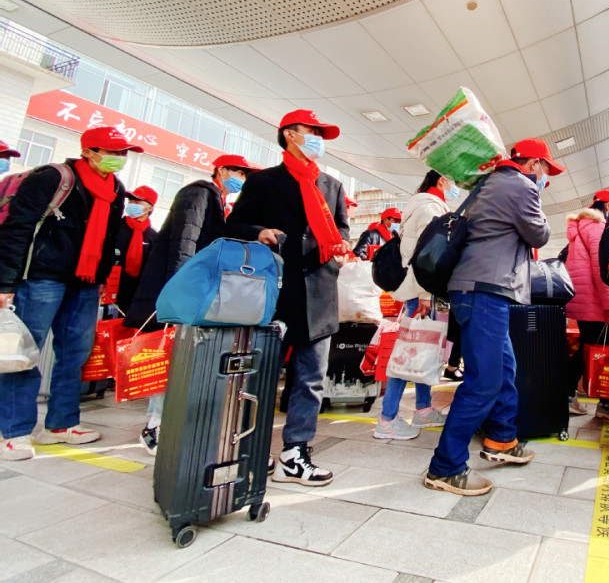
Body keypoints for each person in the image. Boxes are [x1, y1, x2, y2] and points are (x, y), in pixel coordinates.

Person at [424, 138, 561, 496]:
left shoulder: (490, 182)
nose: (547, 176)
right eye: (546, 169)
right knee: (484, 380)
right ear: (533, 164)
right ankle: (445, 467)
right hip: (485, 289)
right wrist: (537, 199)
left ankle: (501, 438)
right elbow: (540, 234)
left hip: (480, 288)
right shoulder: (520, 186)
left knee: (504, 369)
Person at [227, 109, 352, 487]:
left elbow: (343, 226)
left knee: (311, 378)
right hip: (275, 291)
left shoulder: (332, 185)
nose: (317, 137)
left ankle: (295, 452)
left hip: (320, 290)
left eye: (320, 131)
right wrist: (260, 231)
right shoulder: (265, 181)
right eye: (311, 130)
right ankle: (249, 448)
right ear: (289, 135)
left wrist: (343, 243)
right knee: (260, 375)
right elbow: (234, 224)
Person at [0, 127, 136, 460]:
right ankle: (14, 432)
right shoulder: (53, 177)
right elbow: (18, 226)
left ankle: (60, 425)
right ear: (88, 151)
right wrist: (5, 283)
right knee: (22, 354)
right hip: (39, 278)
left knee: (75, 353)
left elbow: (109, 237)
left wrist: (102, 277)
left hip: (85, 283)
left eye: (123, 153)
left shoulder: (114, 189)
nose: (119, 159)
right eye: (111, 152)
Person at [124, 154, 254, 455]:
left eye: (244, 175)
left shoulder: (218, 199)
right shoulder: (198, 192)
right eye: (238, 172)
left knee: (178, 358)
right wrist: (177, 292)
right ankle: (154, 425)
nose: (241, 178)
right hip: (178, 290)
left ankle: (168, 422)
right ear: (220, 170)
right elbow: (185, 240)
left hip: (193, 290)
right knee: (166, 357)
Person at [375, 170, 458, 439]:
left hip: (422, 290)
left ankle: (423, 410)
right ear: (442, 181)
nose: (455, 187)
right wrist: (425, 293)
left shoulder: (423, 205)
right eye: (453, 181)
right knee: (408, 353)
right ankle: (387, 419)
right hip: (423, 292)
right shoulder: (429, 208)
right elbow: (426, 255)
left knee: (423, 351)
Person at [565, 189, 609, 420]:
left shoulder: (578, 229)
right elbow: (602, 271)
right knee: (604, 352)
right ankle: (606, 404)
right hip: (596, 304)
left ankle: (568, 396)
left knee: (588, 349)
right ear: (608, 206)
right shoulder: (598, 228)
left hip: (581, 301)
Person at [112, 185, 158, 313]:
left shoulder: (154, 237)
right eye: (130, 201)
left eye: (137, 202)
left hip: (136, 295)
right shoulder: (115, 227)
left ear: (150, 207)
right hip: (110, 290)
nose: (132, 204)